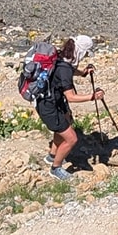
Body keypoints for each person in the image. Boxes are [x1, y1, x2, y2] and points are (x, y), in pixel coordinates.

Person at [39, 35, 103, 179]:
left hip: (50, 101)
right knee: (71, 138)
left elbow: (69, 70)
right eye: (86, 53)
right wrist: (92, 96)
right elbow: (71, 97)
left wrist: (83, 73)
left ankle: (52, 155)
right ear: (80, 51)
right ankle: (55, 168)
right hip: (49, 106)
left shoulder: (61, 58)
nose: (86, 56)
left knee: (65, 124)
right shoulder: (65, 69)